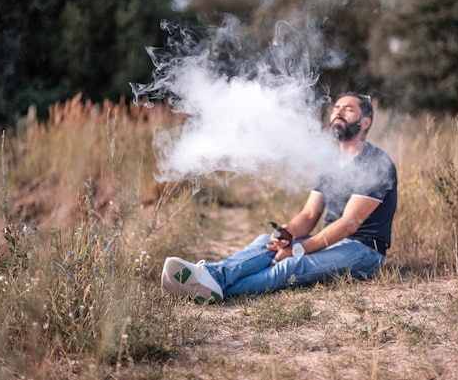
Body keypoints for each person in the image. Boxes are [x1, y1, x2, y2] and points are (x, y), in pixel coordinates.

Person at [161, 92, 398, 303]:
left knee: (292, 264)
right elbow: (308, 215)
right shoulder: (329, 164)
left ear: (365, 122)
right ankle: (212, 276)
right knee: (266, 242)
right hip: (332, 242)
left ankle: (212, 289)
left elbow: (350, 224)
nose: (339, 111)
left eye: (349, 108)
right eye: (336, 107)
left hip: (365, 252)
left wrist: (299, 249)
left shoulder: (376, 163)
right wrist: (288, 236)